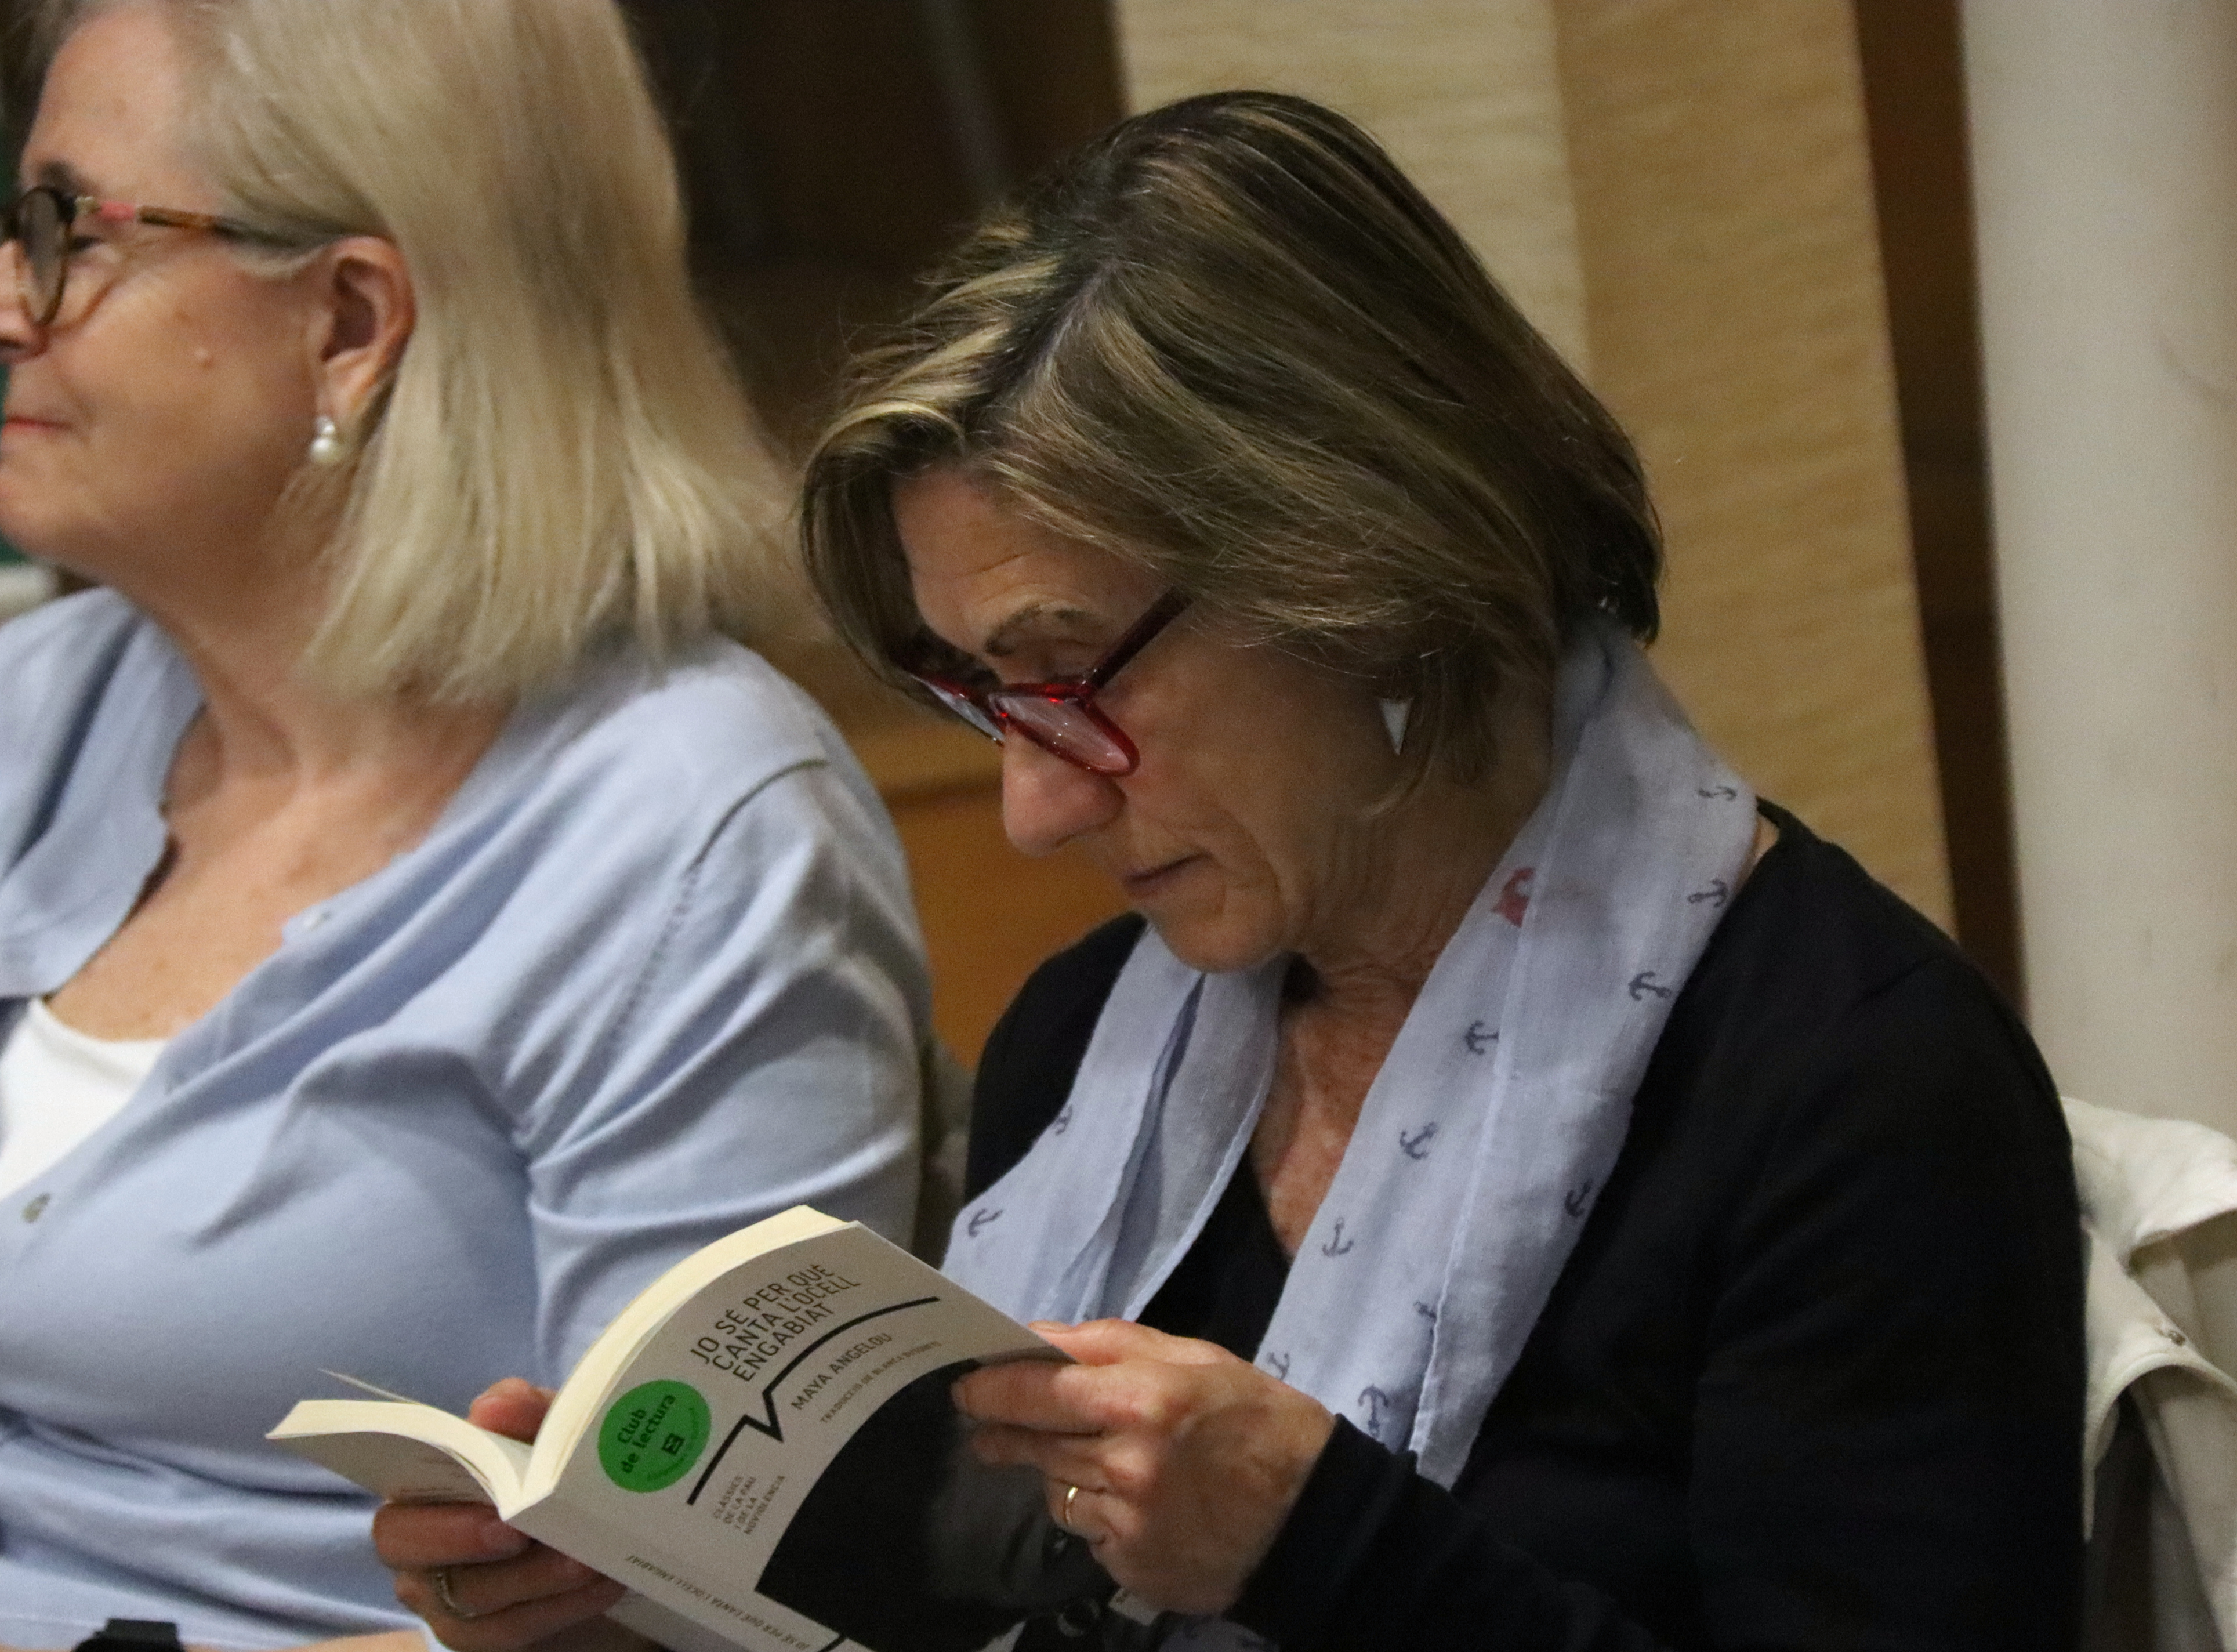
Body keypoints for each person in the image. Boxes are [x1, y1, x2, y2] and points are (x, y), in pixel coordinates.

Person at [392, 92, 2083, 1652]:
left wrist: (1326, 1541)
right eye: (983, 696)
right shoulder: (1093, 1042)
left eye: (1070, 674)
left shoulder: (1852, 1085)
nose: (1035, 809)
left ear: (1365, 567)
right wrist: (629, 1618)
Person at [0, 1, 927, 1648]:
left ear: (352, 321)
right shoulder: (25, 717)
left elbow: (690, 1608)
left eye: (69, 233)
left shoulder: (691, 831)